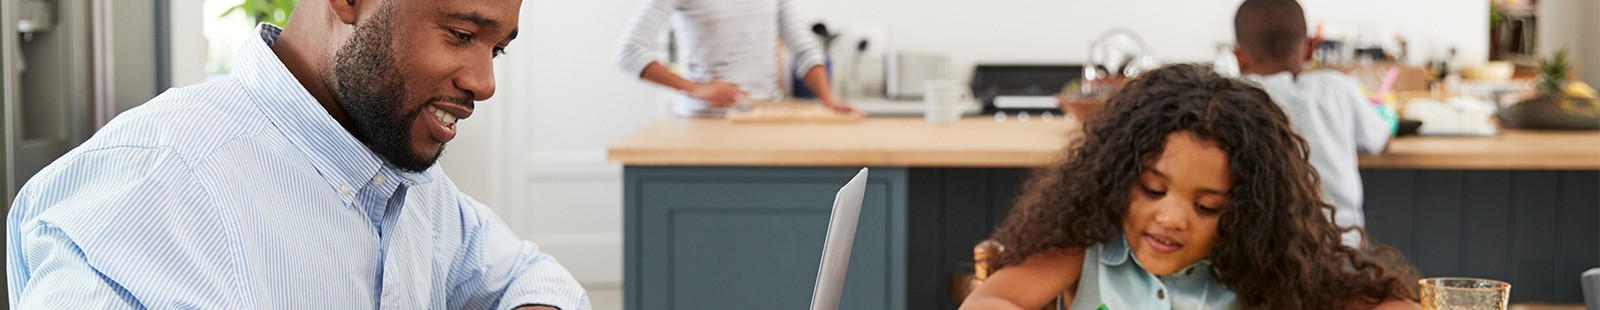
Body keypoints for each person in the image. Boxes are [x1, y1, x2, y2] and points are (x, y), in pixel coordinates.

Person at [6, 0, 589, 308]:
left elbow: (532, 278)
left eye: (498, 50)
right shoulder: (152, 191)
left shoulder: (408, 185)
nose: (486, 83)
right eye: (461, 35)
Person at [960, 64, 1419, 309]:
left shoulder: (1264, 266)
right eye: (1153, 190)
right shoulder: (1088, 249)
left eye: (1207, 206)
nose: (1172, 218)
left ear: (1246, 212)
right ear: (1117, 178)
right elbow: (995, 298)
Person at [1233, 0, 1392, 247]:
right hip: (1342, 245)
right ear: (1310, 48)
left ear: (1239, 58)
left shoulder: (1236, 99)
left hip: (1265, 250)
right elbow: (1379, 139)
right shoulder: (1336, 87)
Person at [614, 0, 856, 117]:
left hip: (761, 121)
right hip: (703, 122)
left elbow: (804, 49)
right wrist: (694, 88)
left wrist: (828, 100)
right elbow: (629, 51)